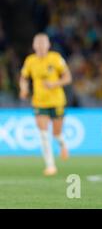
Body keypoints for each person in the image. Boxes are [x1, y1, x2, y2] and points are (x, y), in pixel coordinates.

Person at [19, 33, 72, 176]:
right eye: (38, 44)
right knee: (43, 133)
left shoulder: (56, 58)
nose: (41, 47)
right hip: (39, 102)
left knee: (56, 133)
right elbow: (23, 78)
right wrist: (23, 89)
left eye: (43, 44)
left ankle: (62, 144)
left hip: (57, 101)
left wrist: (54, 84)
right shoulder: (30, 61)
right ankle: (50, 166)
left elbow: (68, 78)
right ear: (34, 46)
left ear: (48, 45)